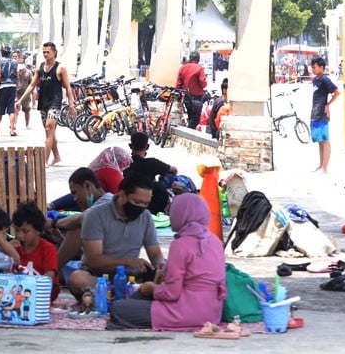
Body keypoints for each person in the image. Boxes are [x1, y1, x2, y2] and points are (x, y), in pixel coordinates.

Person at [108, 193, 227, 331]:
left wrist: (152, 288)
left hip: (184, 313)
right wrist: (166, 272)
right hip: (212, 314)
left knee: (118, 308)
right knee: (136, 300)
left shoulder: (181, 244)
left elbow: (171, 293)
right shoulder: (214, 241)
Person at [67, 172, 165, 299]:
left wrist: (160, 265)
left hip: (132, 277)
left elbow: (155, 253)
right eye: (137, 202)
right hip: (99, 277)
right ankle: (122, 293)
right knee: (77, 279)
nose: (141, 207)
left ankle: (123, 293)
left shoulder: (145, 217)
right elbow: (93, 259)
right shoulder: (96, 215)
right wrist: (127, 261)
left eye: (146, 204)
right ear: (122, 195)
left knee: (169, 277)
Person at [15, 42, 77, 167]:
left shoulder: (60, 68)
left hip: (55, 102)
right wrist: (20, 100)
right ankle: (57, 156)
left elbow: (68, 87)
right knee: (50, 131)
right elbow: (31, 85)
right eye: (44, 52)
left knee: (49, 128)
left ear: (54, 52)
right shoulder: (40, 67)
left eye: (48, 52)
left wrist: (71, 105)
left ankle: (45, 160)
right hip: (43, 101)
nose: (45, 54)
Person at [47, 168, 114, 271]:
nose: (75, 199)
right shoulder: (99, 206)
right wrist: (61, 240)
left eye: (75, 192)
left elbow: (80, 219)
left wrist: (53, 223)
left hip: (111, 266)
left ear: (87, 186)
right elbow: (87, 253)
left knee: (76, 227)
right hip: (100, 261)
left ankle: (49, 272)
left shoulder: (108, 202)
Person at [12, 201, 59, 301]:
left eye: (25, 231)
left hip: (42, 295)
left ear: (38, 231)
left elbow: (48, 278)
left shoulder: (48, 248)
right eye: (17, 230)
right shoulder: (13, 248)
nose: (19, 235)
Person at [123, 132, 178, 215]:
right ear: (147, 146)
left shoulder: (124, 163)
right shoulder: (152, 163)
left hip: (130, 201)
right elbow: (174, 170)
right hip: (153, 204)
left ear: (130, 146)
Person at [310, 57, 340, 174]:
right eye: (312, 67)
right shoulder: (315, 80)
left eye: (315, 67)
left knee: (325, 140)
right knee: (319, 140)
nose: (313, 69)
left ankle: (325, 167)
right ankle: (321, 164)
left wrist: (328, 104)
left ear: (321, 67)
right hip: (314, 112)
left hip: (322, 113)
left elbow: (337, 92)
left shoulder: (325, 79)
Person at [0, 44, 19, 137]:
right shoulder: (15, 62)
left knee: (0, 109)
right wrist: (17, 85)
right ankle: (12, 130)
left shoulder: (0, 61)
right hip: (12, 86)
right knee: (11, 109)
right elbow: (17, 76)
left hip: (3, 86)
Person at [176, 51, 207, 129]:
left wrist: (179, 99)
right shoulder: (199, 68)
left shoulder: (182, 68)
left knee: (190, 117)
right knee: (195, 120)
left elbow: (178, 85)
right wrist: (205, 83)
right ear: (198, 59)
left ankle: (189, 131)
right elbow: (202, 83)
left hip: (187, 97)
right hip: (197, 98)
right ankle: (189, 133)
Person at [14, 52, 33, 129]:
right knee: (15, 109)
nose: (20, 64)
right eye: (19, 62)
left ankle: (27, 124)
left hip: (26, 95)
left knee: (26, 110)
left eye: (22, 62)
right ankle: (14, 125)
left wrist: (32, 93)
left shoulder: (28, 72)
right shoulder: (15, 71)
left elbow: (32, 84)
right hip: (16, 94)